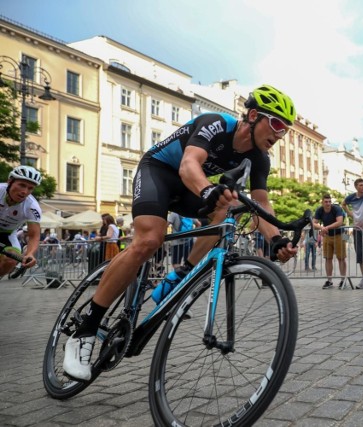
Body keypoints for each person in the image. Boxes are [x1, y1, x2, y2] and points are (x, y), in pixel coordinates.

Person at [63, 84, 299, 381]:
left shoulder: (259, 158)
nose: (280, 134)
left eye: (285, 129)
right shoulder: (216, 123)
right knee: (149, 239)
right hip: (160, 172)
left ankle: (181, 272)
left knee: (226, 209)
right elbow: (189, 165)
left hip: (191, 187)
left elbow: (262, 204)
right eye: (276, 124)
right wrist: (208, 189)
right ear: (253, 115)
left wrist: (276, 239)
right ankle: (85, 330)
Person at [0, 166, 42, 276]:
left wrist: (30, 254)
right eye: (22, 185)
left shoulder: (32, 207)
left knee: (11, 260)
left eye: (30, 188)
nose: (24, 191)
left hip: (7, 235)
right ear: (10, 182)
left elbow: (34, 235)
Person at [314, 194, 346, 289]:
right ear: (322, 202)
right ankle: (329, 280)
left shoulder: (336, 209)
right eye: (326, 202)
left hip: (340, 234)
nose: (328, 203)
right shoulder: (319, 210)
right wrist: (321, 227)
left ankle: (343, 280)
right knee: (328, 258)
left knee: (341, 258)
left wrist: (326, 227)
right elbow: (313, 222)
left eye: (329, 201)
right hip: (327, 235)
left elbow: (339, 222)